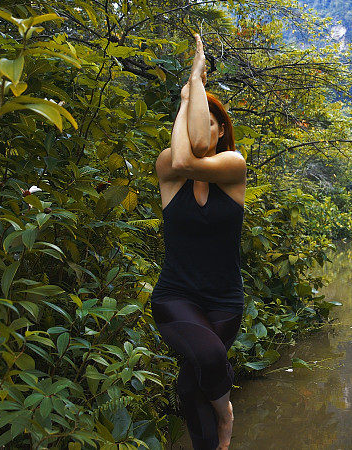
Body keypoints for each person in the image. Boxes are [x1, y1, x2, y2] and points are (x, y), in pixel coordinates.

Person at [150, 33, 247, 450]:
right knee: (208, 360)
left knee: (190, 388)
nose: (196, 131)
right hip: (176, 297)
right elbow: (184, 157)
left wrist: (196, 83)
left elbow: (196, 156)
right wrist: (192, 89)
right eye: (190, 120)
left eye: (205, 120)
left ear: (221, 127)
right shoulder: (168, 171)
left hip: (224, 300)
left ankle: (215, 439)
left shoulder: (233, 166)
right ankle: (226, 415)